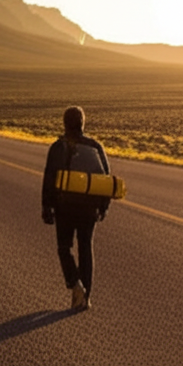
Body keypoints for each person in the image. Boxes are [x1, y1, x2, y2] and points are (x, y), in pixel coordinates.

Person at [41, 105, 110, 310]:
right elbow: (105, 178)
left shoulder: (58, 146)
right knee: (86, 248)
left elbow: (49, 178)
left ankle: (75, 283)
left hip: (65, 206)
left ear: (64, 123)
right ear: (82, 123)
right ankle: (85, 297)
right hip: (89, 207)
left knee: (64, 248)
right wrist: (103, 206)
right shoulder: (95, 146)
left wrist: (47, 206)